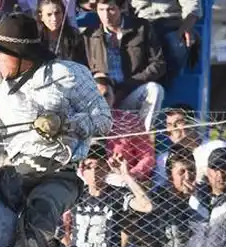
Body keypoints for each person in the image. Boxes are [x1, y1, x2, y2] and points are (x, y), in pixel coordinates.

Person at [0, 13, 112, 247]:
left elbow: (104, 119)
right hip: (14, 173)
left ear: (19, 55)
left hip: (59, 175)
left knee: (37, 218)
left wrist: (66, 124)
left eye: (0, 53)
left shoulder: (69, 74)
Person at [64, 144, 149, 247]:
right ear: (82, 170)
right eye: (89, 167)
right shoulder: (76, 196)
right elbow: (64, 231)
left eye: (99, 166)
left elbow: (146, 206)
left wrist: (125, 175)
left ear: (106, 168)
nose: (95, 172)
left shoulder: (116, 196)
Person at [82, 0, 165, 132]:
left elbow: (158, 63)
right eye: (101, 10)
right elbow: (83, 71)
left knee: (155, 89)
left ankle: (141, 135)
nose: (106, 16)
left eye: (111, 9)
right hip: (103, 97)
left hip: (131, 92)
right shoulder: (89, 36)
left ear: (122, 8)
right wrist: (101, 82)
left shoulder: (142, 28)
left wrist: (129, 85)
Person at [93, 72, 153, 184]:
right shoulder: (78, 122)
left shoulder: (129, 121)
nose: (102, 102)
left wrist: (130, 174)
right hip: (89, 181)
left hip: (123, 179)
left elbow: (147, 157)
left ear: (114, 96)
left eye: (106, 95)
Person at [125, 0, 200, 85]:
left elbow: (192, 6)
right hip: (141, 23)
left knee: (175, 44)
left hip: (170, 22)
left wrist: (186, 27)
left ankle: (163, 86)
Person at [153, 105, 198, 188]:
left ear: (192, 124)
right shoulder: (163, 159)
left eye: (178, 123)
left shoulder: (213, 148)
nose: (173, 128)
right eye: (169, 124)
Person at [35, 0, 85, 66]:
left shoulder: (74, 35)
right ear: (41, 16)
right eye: (49, 14)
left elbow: (81, 63)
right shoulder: (35, 38)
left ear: (63, 13)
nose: (54, 18)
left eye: (57, 13)